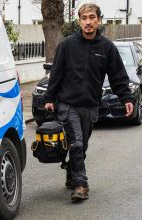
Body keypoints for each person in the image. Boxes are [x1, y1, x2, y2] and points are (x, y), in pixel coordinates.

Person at [44, 3, 134, 202]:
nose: (88, 22)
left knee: (81, 146)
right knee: (75, 143)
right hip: (68, 104)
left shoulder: (107, 47)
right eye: (84, 18)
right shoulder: (67, 45)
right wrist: (49, 98)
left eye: (92, 17)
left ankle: (71, 172)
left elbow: (118, 75)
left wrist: (126, 97)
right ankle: (81, 184)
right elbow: (56, 74)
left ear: (99, 20)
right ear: (79, 21)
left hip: (91, 105)